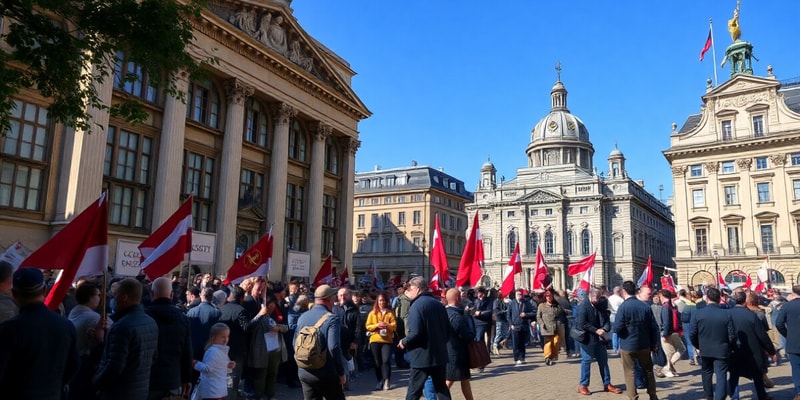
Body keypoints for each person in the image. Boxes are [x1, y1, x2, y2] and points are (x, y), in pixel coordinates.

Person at [0, 268, 79, 399]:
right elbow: (74, 365)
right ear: (44, 291)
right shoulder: (66, 325)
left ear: (14, 294)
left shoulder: (9, 329)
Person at [93, 278, 159, 400]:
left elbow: (114, 366)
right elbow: (153, 358)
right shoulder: (151, 323)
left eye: (115, 295)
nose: (113, 299)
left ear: (124, 297)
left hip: (119, 393)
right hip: (140, 391)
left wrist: (96, 381)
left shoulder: (122, 327)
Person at [398, 276, 451, 400]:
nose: (408, 292)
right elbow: (447, 330)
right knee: (442, 390)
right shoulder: (439, 305)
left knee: (414, 391)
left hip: (421, 356)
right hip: (439, 355)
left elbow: (415, 332)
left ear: (416, 289)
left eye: (409, 289)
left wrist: (404, 341)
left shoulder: (416, 306)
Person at [294, 284, 346, 400]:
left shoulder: (303, 317)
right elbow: (333, 347)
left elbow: (294, 343)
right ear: (329, 299)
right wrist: (341, 372)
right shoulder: (332, 319)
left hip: (304, 371)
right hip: (326, 371)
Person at [146, 277, 193, 400]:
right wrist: (187, 378)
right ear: (171, 295)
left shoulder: (144, 317)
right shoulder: (183, 319)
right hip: (173, 380)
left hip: (149, 380)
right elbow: (187, 353)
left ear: (152, 294)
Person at [613, 281, 658, 400]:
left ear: (624, 291)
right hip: (644, 344)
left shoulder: (623, 307)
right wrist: (654, 343)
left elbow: (617, 328)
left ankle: (633, 397)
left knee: (629, 372)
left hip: (628, 345)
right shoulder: (645, 306)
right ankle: (652, 395)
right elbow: (654, 327)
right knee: (648, 371)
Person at [690, 287, 736, 400]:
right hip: (722, 348)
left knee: (706, 372)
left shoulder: (698, 314)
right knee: (721, 375)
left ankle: (708, 396)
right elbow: (732, 335)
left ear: (706, 298)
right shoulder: (726, 314)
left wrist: (697, 345)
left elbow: (692, 333)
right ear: (719, 298)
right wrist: (730, 346)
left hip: (705, 348)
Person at [728, 289, 775, 400]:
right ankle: (762, 395)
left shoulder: (727, 314)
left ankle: (735, 397)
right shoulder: (751, 315)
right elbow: (762, 335)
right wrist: (771, 350)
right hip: (752, 350)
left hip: (734, 350)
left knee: (734, 375)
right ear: (745, 301)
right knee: (757, 374)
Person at [575, 287, 622, 396]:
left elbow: (606, 319)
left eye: (598, 298)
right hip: (587, 338)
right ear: (590, 296)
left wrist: (604, 329)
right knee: (586, 361)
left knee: (603, 361)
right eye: (595, 298)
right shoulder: (583, 306)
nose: (597, 300)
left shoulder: (601, 305)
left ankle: (607, 383)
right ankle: (583, 385)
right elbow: (582, 323)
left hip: (600, 339)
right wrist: (595, 330)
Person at [68, 281, 105, 400]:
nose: (100, 298)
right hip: (86, 365)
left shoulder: (75, 311)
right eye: (98, 295)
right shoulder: (93, 318)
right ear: (90, 297)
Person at [217, 286, 248, 398]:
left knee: (221, 378)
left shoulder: (221, 309)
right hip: (236, 350)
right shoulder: (241, 311)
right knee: (233, 379)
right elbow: (246, 328)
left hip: (220, 348)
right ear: (241, 298)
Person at [444, 288, 475, 400]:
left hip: (450, 350)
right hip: (455, 353)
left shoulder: (444, 312)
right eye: (460, 296)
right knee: (449, 380)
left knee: (465, 378)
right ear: (457, 298)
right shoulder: (455, 316)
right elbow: (465, 335)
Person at [193, 323, 236, 400]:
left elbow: (208, 368)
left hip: (214, 390)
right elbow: (208, 369)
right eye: (223, 337)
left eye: (227, 336)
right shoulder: (214, 351)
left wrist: (195, 363)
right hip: (214, 390)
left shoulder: (219, 351)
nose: (226, 339)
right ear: (214, 338)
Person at [366, 292, 397, 391]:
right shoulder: (372, 313)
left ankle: (387, 380)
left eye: (383, 300)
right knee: (377, 362)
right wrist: (376, 326)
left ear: (386, 301)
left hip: (387, 340)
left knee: (386, 360)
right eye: (380, 300)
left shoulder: (390, 313)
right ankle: (380, 380)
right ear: (377, 301)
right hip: (375, 339)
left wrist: (387, 325)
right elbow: (368, 326)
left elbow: (394, 326)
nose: (381, 302)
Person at [333, 287, 362, 389]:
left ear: (349, 296)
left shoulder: (354, 309)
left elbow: (358, 327)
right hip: (336, 340)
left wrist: (355, 341)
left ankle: (347, 380)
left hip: (348, 341)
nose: (342, 297)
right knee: (339, 362)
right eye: (340, 295)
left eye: (345, 295)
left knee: (347, 361)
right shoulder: (334, 309)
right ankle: (342, 382)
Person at [187, 287, 222, 372]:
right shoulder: (216, 313)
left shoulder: (191, 311)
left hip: (194, 347)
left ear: (201, 296)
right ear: (211, 297)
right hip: (209, 348)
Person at [775, 284, 800, 400]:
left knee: (796, 368)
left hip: (793, 341)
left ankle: (799, 392)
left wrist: (787, 334)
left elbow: (779, 323)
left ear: (793, 293)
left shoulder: (787, 306)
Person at [658, 289, 686, 378]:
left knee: (669, 352)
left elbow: (666, 322)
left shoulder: (665, 306)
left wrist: (665, 334)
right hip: (675, 331)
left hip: (668, 333)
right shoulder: (672, 305)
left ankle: (667, 368)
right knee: (680, 349)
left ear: (661, 296)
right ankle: (670, 368)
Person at [537, 288, 566, 365]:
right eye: (547, 296)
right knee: (548, 343)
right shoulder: (541, 306)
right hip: (546, 327)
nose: (549, 297)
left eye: (550, 296)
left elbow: (562, 312)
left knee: (556, 342)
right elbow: (538, 317)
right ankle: (547, 357)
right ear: (545, 297)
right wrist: (541, 324)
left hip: (555, 327)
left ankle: (553, 357)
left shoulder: (556, 305)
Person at [507, 288, 535, 365]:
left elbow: (532, 312)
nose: (519, 296)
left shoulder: (526, 303)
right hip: (514, 326)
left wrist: (526, 314)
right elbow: (508, 315)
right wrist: (510, 324)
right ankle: (516, 358)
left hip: (523, 325)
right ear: (515, 295)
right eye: (518, 294)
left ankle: (522, 357)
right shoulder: (512, 303)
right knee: (515, 343)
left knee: (522, 343)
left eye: (521, 294)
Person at [470, 286, 493, 361]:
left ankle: (485, 355)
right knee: (478, 339)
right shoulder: (475, 301)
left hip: (485, 322)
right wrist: (472, 311)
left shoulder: (488, 300)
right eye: (477, 293)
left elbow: (490, 311)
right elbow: (472, 310)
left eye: (479, 293)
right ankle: (481, 356)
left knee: (483, 339)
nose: (478, 294)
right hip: (476, 322)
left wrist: (480, 313)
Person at [607, 286, 624, 355]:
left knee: (614, 332)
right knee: (619, 333)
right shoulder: (620, 299)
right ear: (619, 291)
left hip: (611, 316)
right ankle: (618, 348)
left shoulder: (609, 298)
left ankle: (614, 347)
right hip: (617, 316)